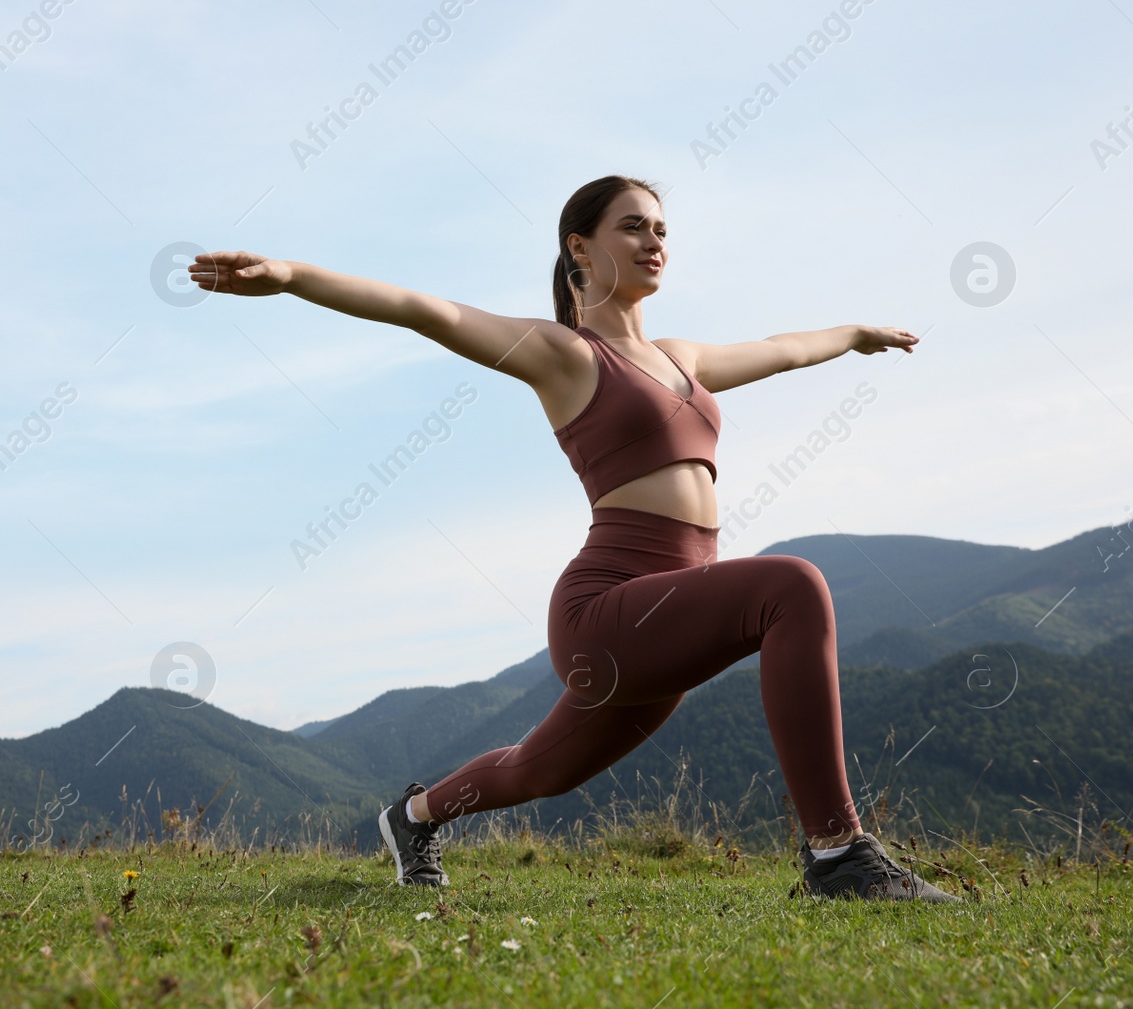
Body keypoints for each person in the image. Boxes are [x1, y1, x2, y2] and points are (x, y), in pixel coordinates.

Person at [188, 175, 958, 903]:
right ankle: (837, 853)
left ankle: (414, 816)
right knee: (792, 586)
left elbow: (784, 348)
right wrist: (292, 275)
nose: (654, 241)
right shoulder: (564, 355)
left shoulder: (683, 359)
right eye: (633, 227)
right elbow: (422, 309)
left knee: (538, 769)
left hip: (668, 611)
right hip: (608, 609)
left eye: (662, 229)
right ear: (579, 248)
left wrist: (854, 333)